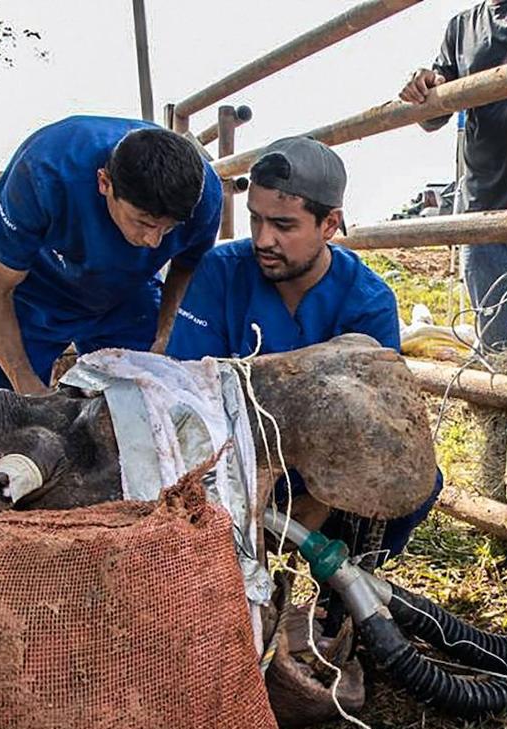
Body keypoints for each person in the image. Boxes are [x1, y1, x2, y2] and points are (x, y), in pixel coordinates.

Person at [166, 137, 438, 565]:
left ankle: (343, 588)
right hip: (228, 461)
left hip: (325, 470)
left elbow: (373, 425)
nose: (262, 239)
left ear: (329, 224)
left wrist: (318, 506)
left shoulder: (368, 301)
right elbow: (187, 390)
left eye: (284, 225)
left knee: (415, 482)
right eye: (256, 220)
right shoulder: (220, 272)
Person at [0, 116, 222, 395]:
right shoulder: (44, 171)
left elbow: (187, 268)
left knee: (150, 394)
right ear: (104, 183)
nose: (153, 241)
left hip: (128, 294)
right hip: (36, 292)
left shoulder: (205, 195)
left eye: (170, 228)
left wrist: (165, 335)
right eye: (144, 223)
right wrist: (24, 384)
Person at [398, 0, 507, 351]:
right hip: (484, 199)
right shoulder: (461, 27)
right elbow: (433, 116)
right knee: (499, 344)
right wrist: (424, 85)